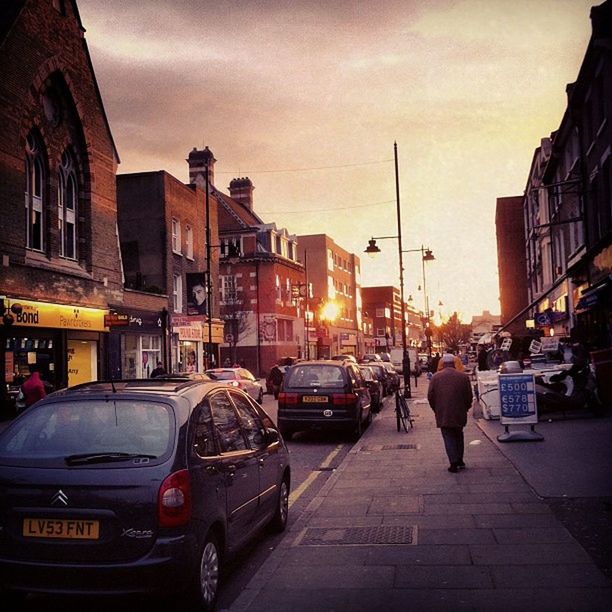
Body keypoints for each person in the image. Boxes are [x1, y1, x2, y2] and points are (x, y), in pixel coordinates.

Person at [427, 353, 473, 473]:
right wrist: (466, 407)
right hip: (459, 412)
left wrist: (436, 408)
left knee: (448, 436)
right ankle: (460, 460)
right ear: (453, 363)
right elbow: (469, 396)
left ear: (443, 364)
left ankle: (453, 462)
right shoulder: (463, 377)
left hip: (443, 412)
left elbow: (430, 396)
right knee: (459, 435)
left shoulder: (436, 377)